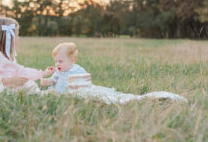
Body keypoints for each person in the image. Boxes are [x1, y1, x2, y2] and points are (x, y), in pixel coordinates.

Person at [41, 42, 188, 104]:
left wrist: (82, 89)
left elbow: (85, 84)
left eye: (60, 61)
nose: (57, 64)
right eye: (56, 61)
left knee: (111, 96)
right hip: (61, 94)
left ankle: (155, 97)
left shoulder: (78, 69)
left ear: (72, 60)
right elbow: (53, 81)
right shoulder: (58, 73)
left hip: (75, 93)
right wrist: (46, 81)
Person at [0, 17, 55, 97]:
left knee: (28, 84)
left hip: (8, 84)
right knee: (23, 87)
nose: (18, 38)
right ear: (7, 39)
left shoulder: (8, 57)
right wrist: (10, 81)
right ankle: (42, 94)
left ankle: (41, 94)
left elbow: (22, 71)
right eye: (16, 35)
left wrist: (42, 73)